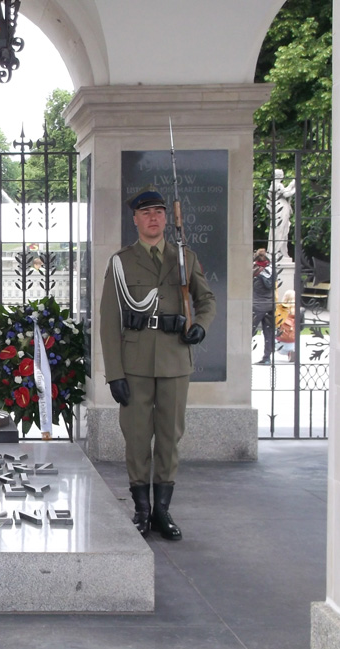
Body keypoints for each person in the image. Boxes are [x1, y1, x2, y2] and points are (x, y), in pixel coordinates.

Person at [99, 188, 216, 541]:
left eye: (159, 212)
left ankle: (163, 511)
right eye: (146, 212)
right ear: (135, 219)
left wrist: (200, 326)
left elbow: (206, 300)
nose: (154, 218)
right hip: (134, 363)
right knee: (136, 438)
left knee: (169, 437)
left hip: (175, 359)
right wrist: (115, 374)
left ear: (167, 218)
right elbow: (108, 321)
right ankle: (141, 509)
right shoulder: (121, 262)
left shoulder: (185, 258)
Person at [266, 169, 296, 262]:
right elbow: (287, 193)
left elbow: (285, 191)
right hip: (280, 209)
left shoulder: (274, 185)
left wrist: (292, 185)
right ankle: (275, 251)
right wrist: (294, 186)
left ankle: (278, 251)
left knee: (281, 229)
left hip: (279, 208)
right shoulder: (277, 185)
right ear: (280, 176)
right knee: (280, 229)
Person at [252, 247, 276, 365]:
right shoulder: (271, 270)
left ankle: (243, 356)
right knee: (268, 332)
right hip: (270, 305)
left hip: (257, 305)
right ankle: (267, 357)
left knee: (249, 332)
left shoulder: (254, 271)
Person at [276, 289, 297, 362]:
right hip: (294, 341)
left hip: (281, 341)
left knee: (266, 331)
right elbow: (302, 326)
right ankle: (290, 352)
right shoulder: (300, 311)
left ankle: (267, 354)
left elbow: (276, 324)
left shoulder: (280, 309)